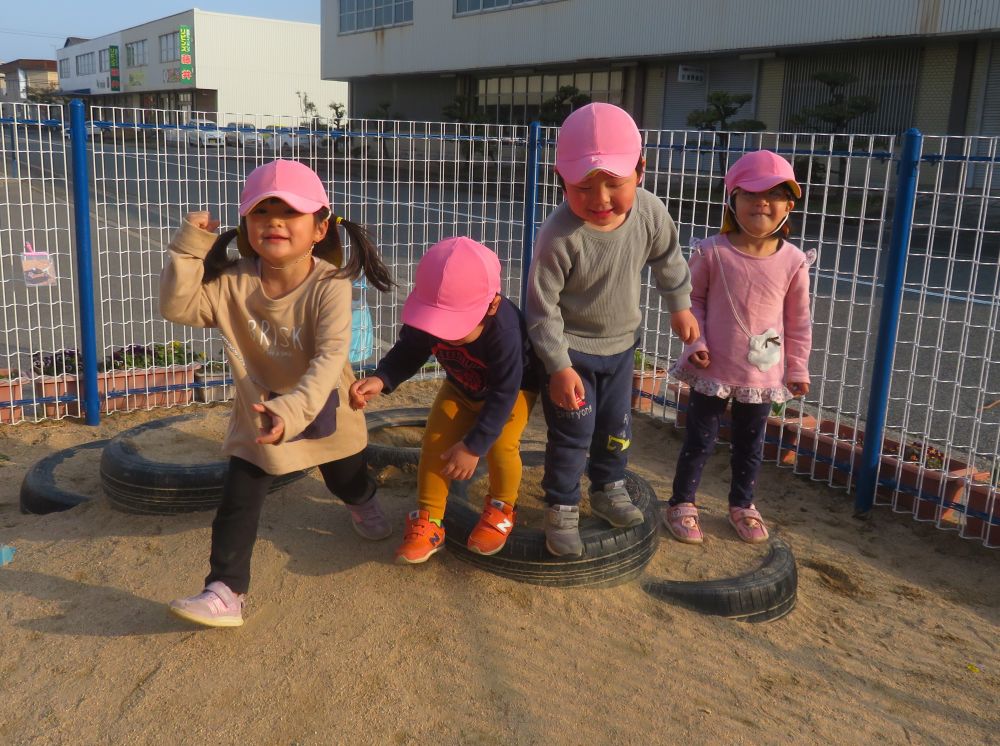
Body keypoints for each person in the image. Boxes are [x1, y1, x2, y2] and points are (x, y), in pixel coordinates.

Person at [160, 159, 394, 627]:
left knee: (344, 477)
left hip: (322, 406)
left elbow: (330, 359)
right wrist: (190, 248)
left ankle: (363, 499)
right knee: (239, 498)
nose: (275, 223)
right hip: (260, 413)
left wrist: (292, 408)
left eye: (290, 213)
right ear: (246, 225)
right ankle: (224, 590)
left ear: (320, 227)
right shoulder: (232, 281)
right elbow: (178, 306)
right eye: (262, 212)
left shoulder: (330, 286)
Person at [525, 103, 698, 557]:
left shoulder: (650, 213)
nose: (600, 199)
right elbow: (540, 311)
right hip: (572, 353)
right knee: (572, 433)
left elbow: (669, 259)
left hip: (622, 349)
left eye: (613, 184)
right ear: (560, 176)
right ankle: (561, 507)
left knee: (616, 427)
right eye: (583, 187)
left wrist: (679, 306)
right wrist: (558, 366)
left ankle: (607, 487)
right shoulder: (559, 236)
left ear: (640, 170)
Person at [349, 236, 538, 564]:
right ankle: (429, 520)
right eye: (436, 324)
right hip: (460, 388)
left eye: (453, 326)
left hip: (512, 391)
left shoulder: (505, 331)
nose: (441, 334)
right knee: (435, 442)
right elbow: (409, 350)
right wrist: (382, 378)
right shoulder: (429, 321)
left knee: (502, 444)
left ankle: (500, 508)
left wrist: (473, 446)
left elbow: (504, 394)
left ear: (491, 305)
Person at [665, 149, 813, 545]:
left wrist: (797, 368)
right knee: (700, 440)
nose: (762, 202)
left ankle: (743, 505)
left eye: (775, 194)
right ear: (732, 200)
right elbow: (690, 300)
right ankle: (681, 503)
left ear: (789, 206)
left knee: (751, 444)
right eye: (750, 193)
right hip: (712, 368)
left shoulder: (794, 262)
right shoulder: (712, 252)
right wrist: (694, 340)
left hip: (762, 374)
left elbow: (799, 321)